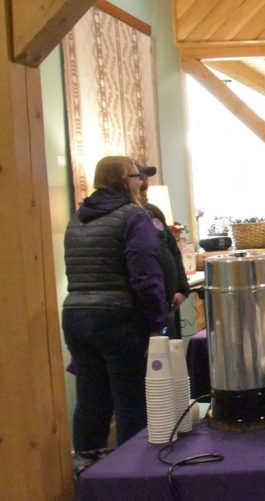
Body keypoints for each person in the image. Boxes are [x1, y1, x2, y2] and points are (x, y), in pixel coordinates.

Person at [62, 156, 167, 460]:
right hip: (118, 318)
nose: (141, 182)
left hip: (75, 315)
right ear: (124, 181)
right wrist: (157, 323)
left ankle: (86, 468)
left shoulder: (77, 218)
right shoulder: (133, 216)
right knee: (131, 402)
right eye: (137, 177)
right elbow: (145, 274)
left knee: (90, 401)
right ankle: (133, 472)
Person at [135, 162, 189, 337]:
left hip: (167, 304)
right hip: (143, 313)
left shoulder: (153, 212)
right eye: (139, 177)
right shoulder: (128, 218)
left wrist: (183, 290)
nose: (145, 183)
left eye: (146, 178)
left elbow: (172, 251)